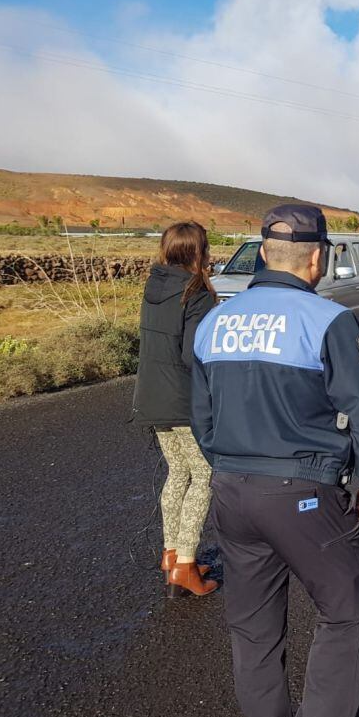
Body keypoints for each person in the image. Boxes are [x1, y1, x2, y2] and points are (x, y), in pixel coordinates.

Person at [190, 204, 359, 717]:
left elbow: (202, 421)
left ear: (263, 253)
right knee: (344, 611)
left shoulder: (216, 321)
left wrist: (233, 468)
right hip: (304, 492)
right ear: (318, 257)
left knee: (253, 630)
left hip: (233, 492)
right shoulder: (327, 320)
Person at [131, 221, 218, 597]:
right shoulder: (195, 292)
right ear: (197, 251)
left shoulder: (153, 287)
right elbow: (193, 355)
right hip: (183, 400)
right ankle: (185, 564)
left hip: (150, 397)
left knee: (178, 472)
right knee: (204, 475)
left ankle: (171, 554)